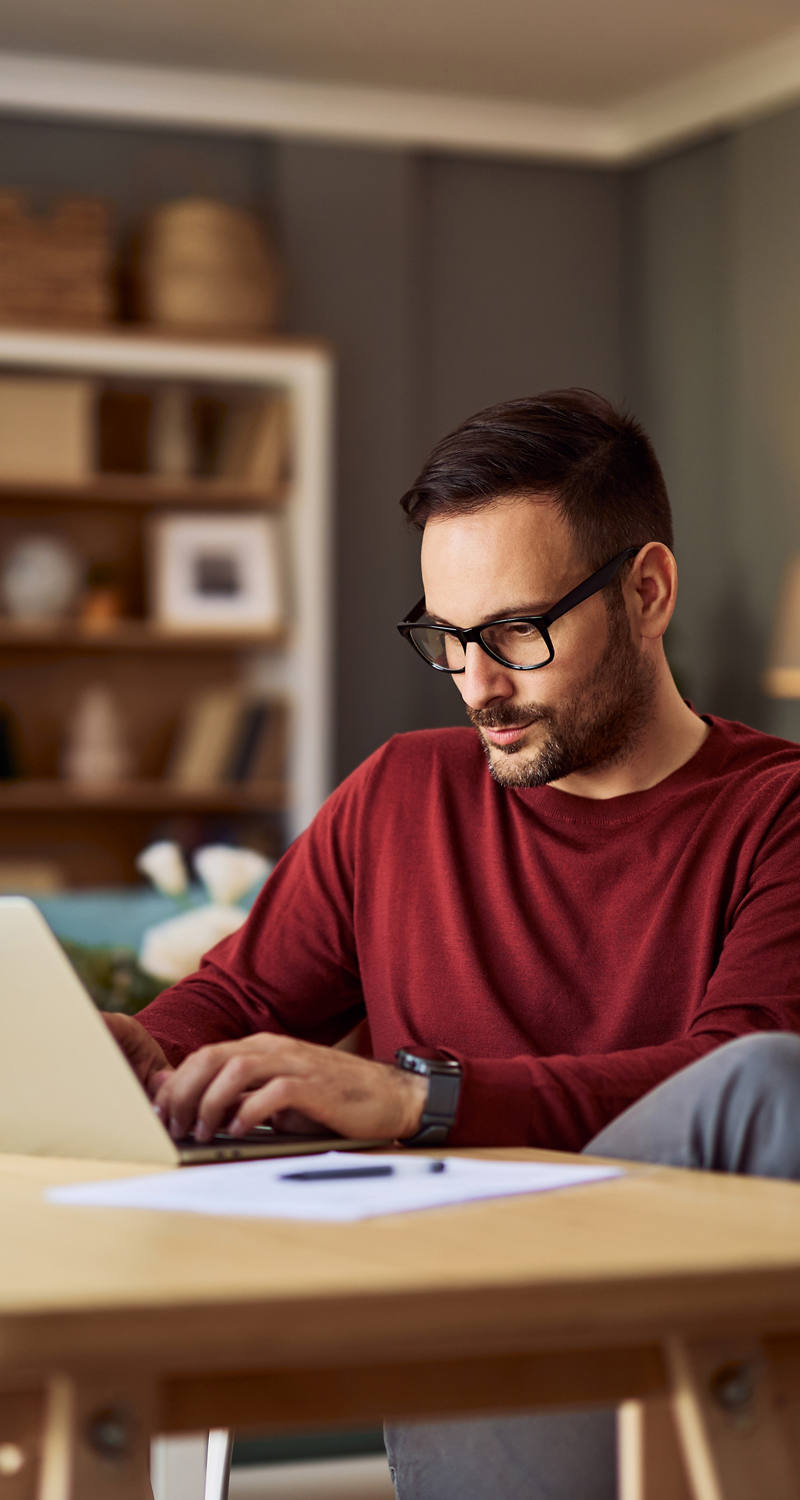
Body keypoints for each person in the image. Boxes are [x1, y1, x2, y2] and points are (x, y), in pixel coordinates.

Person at [107, 389, 800, 1499]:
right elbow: (234, 1004)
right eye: (448, 637)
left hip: (682, 1313)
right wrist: (128, 1053)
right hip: (472, 1336)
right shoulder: (398, 796)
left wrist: (421, 1102)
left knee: (774, 1082)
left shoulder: (777, 813)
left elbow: (741, 1075)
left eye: (517, 631)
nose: (479, 683)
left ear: (647, 592)